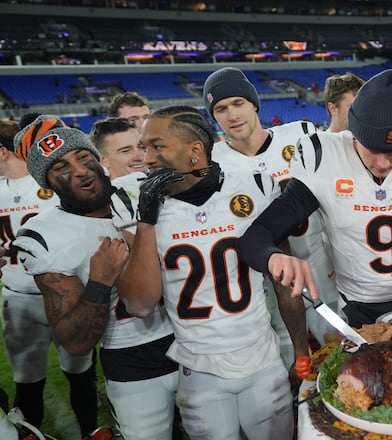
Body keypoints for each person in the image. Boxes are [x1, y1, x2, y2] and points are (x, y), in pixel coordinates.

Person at [119, 106, 301, 439]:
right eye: (145, 147)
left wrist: (300, 350)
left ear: (195, 150)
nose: (147, 159)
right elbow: (139, 304)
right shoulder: (133, 199)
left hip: (262, 359)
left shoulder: (255, 185)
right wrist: (146, 221)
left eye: (157, 146)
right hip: (198, 369)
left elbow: (284, 281)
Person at [237, 69, 392, 328]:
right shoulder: (324, 157)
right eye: (373, 149)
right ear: (354, 132)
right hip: (355, 307)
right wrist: (273, 257)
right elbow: (255, 237)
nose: (383, 163)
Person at [12, 126, 176, 440]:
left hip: (197, 339)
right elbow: (75, 343)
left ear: (98, 158)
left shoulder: (142, 188)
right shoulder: (45, 235)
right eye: (62, 168)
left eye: (83, 157)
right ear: (46, 183)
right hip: (132, 359)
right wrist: (100, 282)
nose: (80, 171)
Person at [201, 67, 339, 361]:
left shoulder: (301, 135)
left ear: (254, 104)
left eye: (238, 103)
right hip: (265, 279)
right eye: (221, 109)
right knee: (290, 359)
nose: (232, 115)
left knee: (338, 348)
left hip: (316, 262)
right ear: (214, 117)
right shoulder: (213, 163)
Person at [0, 118, 98, 436]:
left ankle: (91, 432)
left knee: (81, 374)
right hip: (19, 297)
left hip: (65, 291)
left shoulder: (54, 180)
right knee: (27, 383)